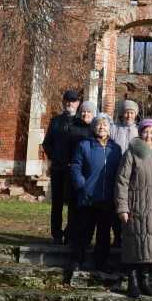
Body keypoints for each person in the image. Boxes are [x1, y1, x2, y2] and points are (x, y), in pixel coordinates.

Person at [115, 119, 152, 299]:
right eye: (145, 132)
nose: (148, 135)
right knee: (133, 244)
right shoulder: (131, 153)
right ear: (140, 133)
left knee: (150, 246)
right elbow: (122, 181)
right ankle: (133, 282)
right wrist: (122, 207)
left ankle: (145, 281)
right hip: (135, 207)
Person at [68, 113, 122, 277]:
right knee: (84, 231)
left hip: (107, 198)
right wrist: (81, 185)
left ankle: (101, 262)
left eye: (105, 125)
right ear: (94, 127)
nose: (102, 127)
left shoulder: (116, 148)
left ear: (109, 128)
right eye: (99, 124)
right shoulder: (84, 145)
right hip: (88, 196)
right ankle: (77, 260)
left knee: (104, 233)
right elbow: (76, 166)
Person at [42, 90, 81, 244]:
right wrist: (56, 157)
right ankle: (56, 234)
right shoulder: (56, 121)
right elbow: (47, 144)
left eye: (72, 101)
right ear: (63, 102)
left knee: (73, 203)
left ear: (78, 103)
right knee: (57, 203)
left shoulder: (80, 122)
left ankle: (70, 233)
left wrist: (76, 162)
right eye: (67, 101)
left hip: (74, 169)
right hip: (58, 168)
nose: (69, 104)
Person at [110, 99, 140, 247]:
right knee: (117, 206)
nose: (128, 115)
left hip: (133, 174)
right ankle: (117, 236)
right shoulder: (114, 129)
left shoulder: (139, 130)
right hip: (115, 171)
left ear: (135, 114)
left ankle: (129, 237)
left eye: (131, 112)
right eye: (126, 112)